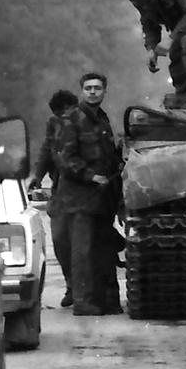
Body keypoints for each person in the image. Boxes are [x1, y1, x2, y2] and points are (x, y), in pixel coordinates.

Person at [52, 71, 124, 316]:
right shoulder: (73, 119)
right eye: (89, 88)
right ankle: (83, 302)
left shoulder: (101, 119)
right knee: (82, 252)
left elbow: (109, 157)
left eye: (97, 88)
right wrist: (91, 176)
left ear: (104, 91)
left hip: (102, 198)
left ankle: (107, 300)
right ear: (82, 91)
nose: (93, 92)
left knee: (104, 250)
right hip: (80, 198)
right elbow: (65, 158)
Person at [29, 89, 79, 308]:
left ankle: (88, 288)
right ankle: (72, 285)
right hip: (61, 189)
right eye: (60, 114)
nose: (64, 117)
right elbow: (47, 150)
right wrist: (37, 176)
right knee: (60, 238)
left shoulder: (87, 122)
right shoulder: (54, 125)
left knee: (86, 243)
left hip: (86, 189)